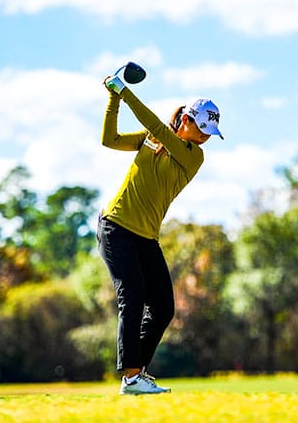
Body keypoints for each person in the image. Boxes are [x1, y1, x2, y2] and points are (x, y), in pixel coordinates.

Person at [97, 73, 223, 395]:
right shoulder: (152, 138)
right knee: (133, 297)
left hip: (145, 237)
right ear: (187, 120)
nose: (206, 137)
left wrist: (123, 91)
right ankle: (132, 377)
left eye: (210, 133)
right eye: (202, 129)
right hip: (116, 227)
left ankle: (136, 374)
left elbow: (157, 128)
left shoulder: (193, 156)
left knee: (164, 307)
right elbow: (109, 140)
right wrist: (113, 98)